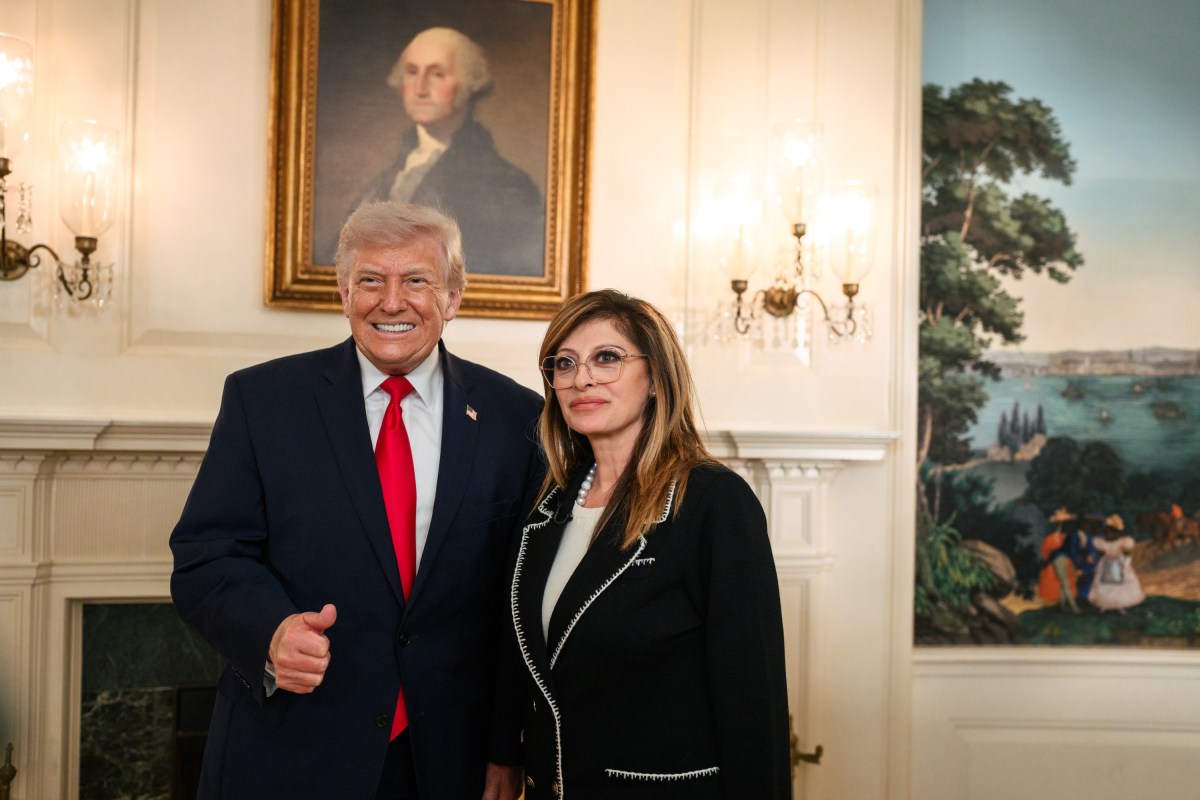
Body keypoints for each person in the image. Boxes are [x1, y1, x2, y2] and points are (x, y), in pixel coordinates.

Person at [170, 202, 540, 799]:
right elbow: (205, 555)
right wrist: (270, 631)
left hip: (449, 759)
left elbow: (516, 602)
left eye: (416, 280)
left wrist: (506, 746)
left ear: (452, 298)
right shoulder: (261, 401)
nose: (391, 301)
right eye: (371, 280)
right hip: (293, 749)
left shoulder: (516, 419)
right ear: (345, 294)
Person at [509, 289, 792, 799]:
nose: (582, 379)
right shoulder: (546, 504)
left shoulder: (714, 502)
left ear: (657, 378)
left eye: (607, 358)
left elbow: (754, 700)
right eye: (564, 363)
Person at [353, 27, 545, 277]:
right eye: (412, 72)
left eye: (437, 74)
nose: (420, 88)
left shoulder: (509, 187)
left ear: (468, 84)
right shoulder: (392, 172)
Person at [1088, 514, 1145, 613]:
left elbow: (1127, 555)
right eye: (1107, 532)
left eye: (1111, 532)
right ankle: (1105, 604)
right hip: (1106, 564)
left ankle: (1120, 605)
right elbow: (1100, 553)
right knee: (1104, 584)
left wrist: (1125, 565)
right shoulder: (1101, 542)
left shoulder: (1123, 541)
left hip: (1120, 563)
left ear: (1116, 532)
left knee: (1121, 583)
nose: (1108, 534)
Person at [1038, 508, 1079, 612]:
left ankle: (1063, 605)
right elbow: (1047, 552)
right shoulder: (1054, 537)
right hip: (1059, 558)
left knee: (1064, 582)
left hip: (1065, 558)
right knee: (1064, 582)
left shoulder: (1067, 536)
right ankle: (1074, 607)